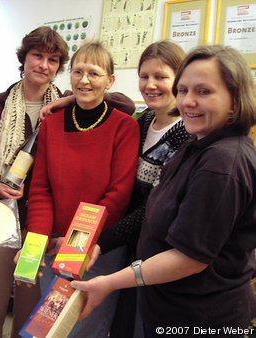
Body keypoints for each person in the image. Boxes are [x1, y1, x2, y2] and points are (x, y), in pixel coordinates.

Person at [72, 45, 256, 338]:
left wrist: (109, 281)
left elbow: (190, 256)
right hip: (168, 301)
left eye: (204, 91)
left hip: (201, 317)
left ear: (235, 100)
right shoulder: (199, 143)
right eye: (183, 90)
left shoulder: (221, 163)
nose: (188, 101)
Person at [26, 41, 140, 337]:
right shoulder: (52, 124)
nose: (85, 80)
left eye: (94, 73)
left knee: (86, 328)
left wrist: (77, 242)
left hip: (97, 249)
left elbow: (118, 193)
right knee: (49, 328)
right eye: (78, 72)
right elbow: (40, 189)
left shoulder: (124, 126)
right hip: (54, 245)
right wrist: (37, 242)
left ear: (110, 80)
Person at [0, 26, 70, 338]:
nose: (44, 65)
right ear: (24, 58)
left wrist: (65, 104)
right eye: (37, 55)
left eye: (53, 60)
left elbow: (120, 104)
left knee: (31, 314)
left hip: (41, 223)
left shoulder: (66, 111)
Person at [98, 40, 190, 338]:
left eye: (161, 77)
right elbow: (114, 102)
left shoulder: (185, 135)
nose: (150, 85)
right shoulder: (144, 119)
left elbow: (152, 206)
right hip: (128, 247)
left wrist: (104, 240)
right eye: (144, 76)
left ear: (180, 79)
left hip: (156, 252)